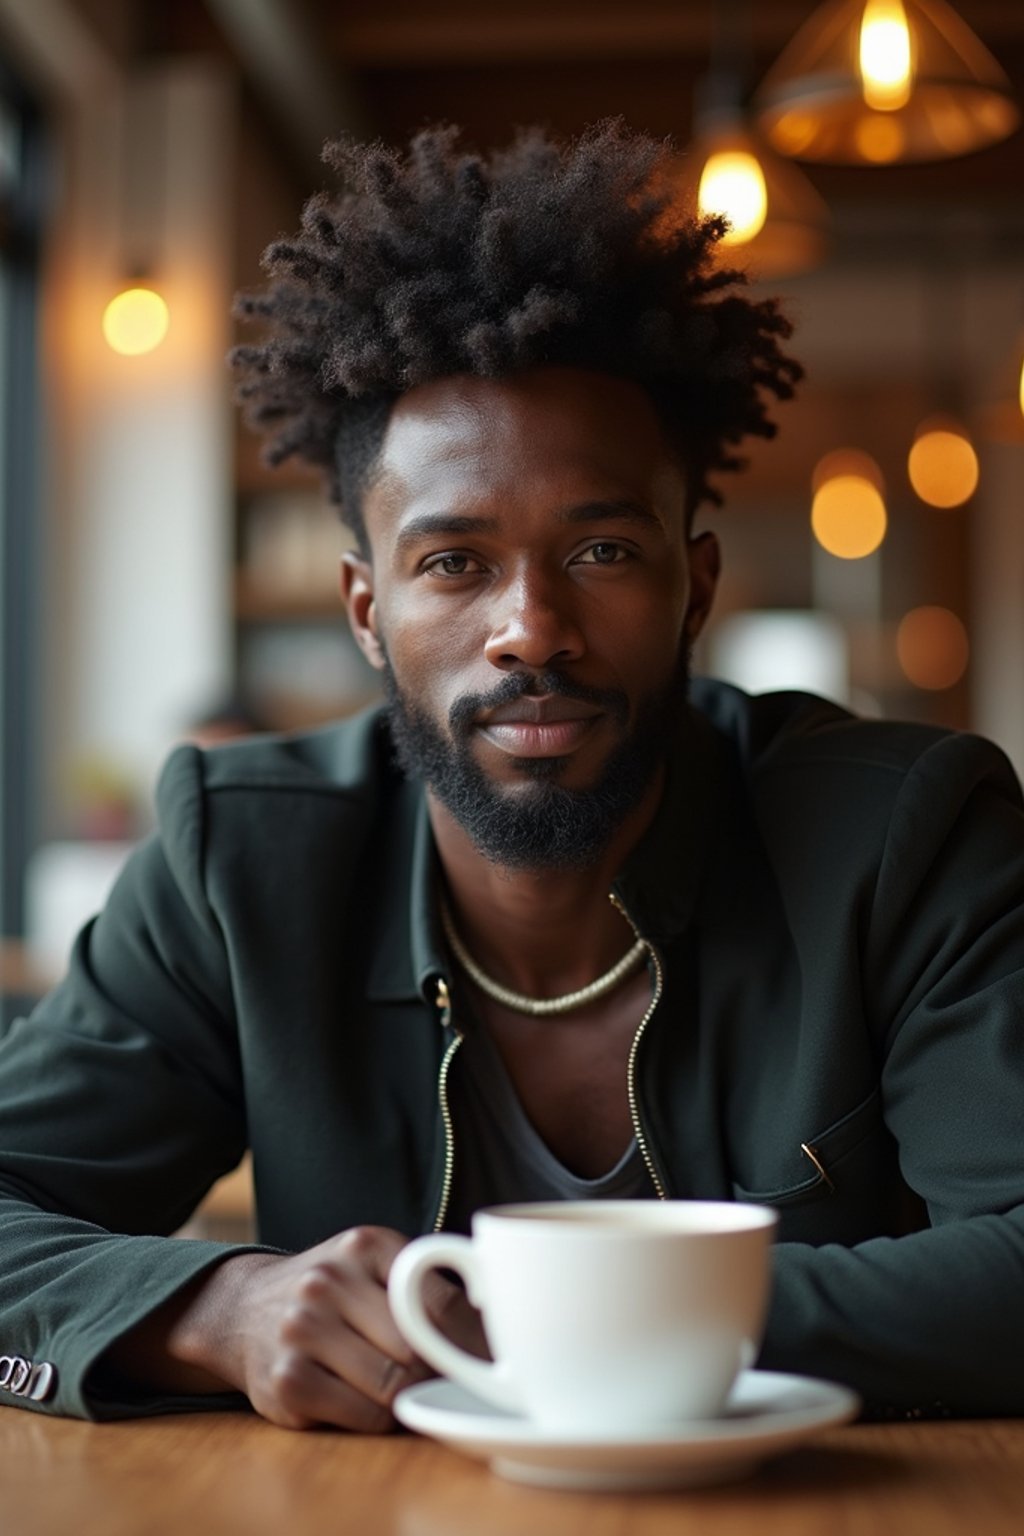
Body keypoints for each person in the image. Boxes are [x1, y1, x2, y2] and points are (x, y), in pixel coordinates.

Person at [1, 121, 1022, 1432]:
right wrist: (222, 1311)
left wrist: (570, 1325)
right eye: (454, 562)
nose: (530, 629)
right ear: (367, 612)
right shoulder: (239, 861)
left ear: (691, 586)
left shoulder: (909, 834)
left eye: (599, 552)